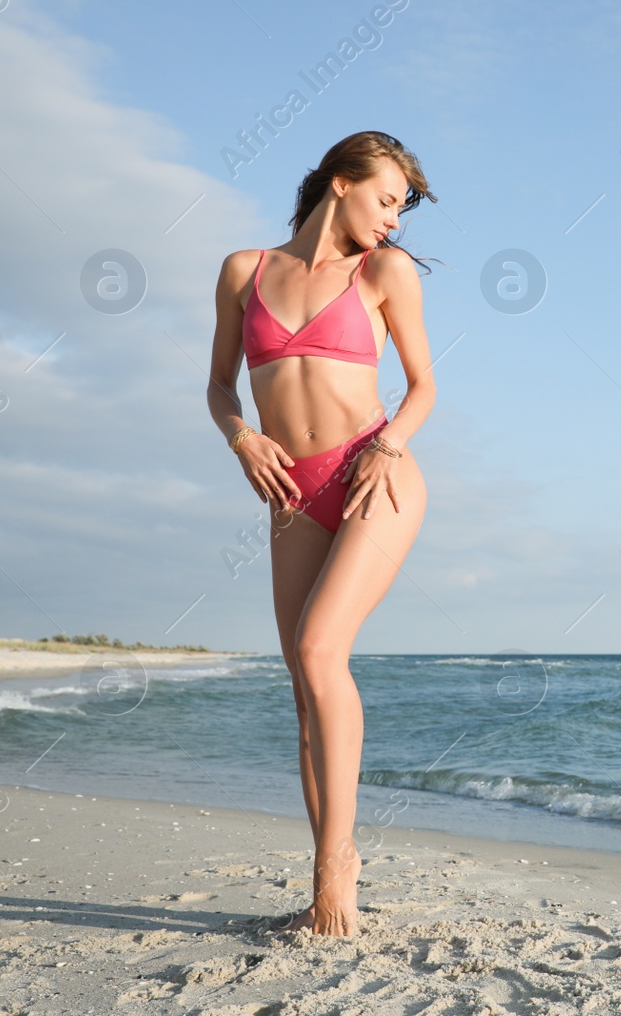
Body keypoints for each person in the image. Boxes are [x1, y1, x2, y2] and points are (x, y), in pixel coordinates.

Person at [206, 131, 438, 935]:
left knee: (318, 650)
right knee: (305, 696)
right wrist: (241, 437)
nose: (395, 221)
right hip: (291, 493)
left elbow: (424, 386)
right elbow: (218, 388)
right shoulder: (245, 271)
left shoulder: (384, 273)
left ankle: (335, 867)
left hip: (374, 472)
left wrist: (392, 442)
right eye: (386, 200)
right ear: (340, 184)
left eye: (403, 209)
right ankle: (328, 869)